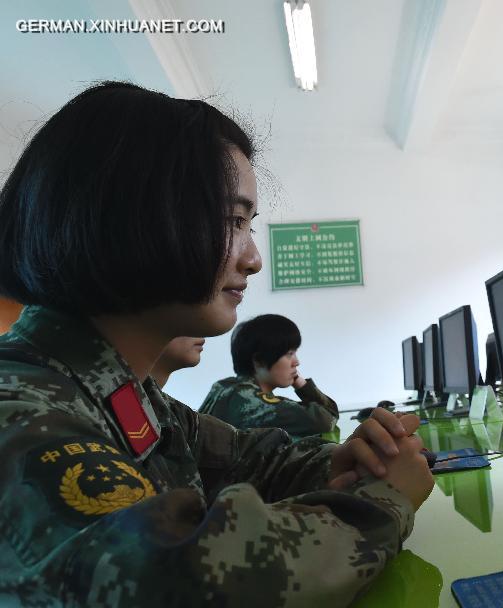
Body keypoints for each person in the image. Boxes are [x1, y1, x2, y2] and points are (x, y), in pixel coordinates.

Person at [0, 81, 433, 606]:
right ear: (134, 213)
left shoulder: (129, 398)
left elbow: (249, 461)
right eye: (234, 220)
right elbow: (186, 581)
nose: (253, 259)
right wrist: (387, 498)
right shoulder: (20, 407)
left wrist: (347, 461)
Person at [199, 314, 338, 437]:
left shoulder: (224, 386)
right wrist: (302, 384)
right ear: (259, 361)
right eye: (289, 354)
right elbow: (325, 420)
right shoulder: (247, 399)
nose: (296, 362)